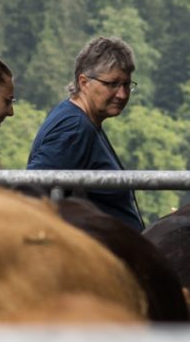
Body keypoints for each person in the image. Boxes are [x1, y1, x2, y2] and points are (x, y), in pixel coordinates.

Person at [26, 35, 143, 231]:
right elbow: (34, 193)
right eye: (112, 84)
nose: (122, 94)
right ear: (84, 82)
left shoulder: (82, 120)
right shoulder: (74, 127)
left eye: (126, 85)